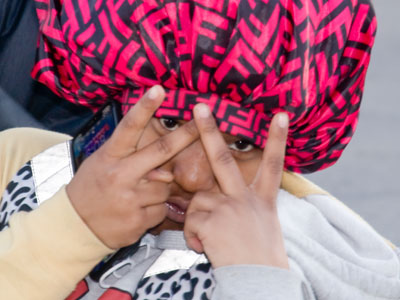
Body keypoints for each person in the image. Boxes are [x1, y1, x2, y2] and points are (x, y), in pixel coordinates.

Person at [1, 0, 400, 299]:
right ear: (113, 104)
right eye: (170, 123)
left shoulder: (322, 264)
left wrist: (258, 277)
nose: (191, 177)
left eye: (241, 143)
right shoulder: (21, 164)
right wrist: (70, 227)